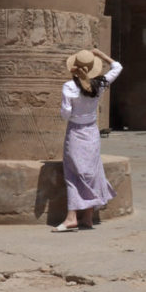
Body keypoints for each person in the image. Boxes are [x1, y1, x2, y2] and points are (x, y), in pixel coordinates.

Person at [55, 47, 122, 232]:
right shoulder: (99, 84)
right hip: (92, 132)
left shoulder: (69, 87)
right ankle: (88, 217)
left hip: (76, 133)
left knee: (73, 174)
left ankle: (71, 217)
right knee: (91, 172)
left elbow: (66, 114)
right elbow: (117, 67)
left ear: (74, 69)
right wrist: (100, 54)